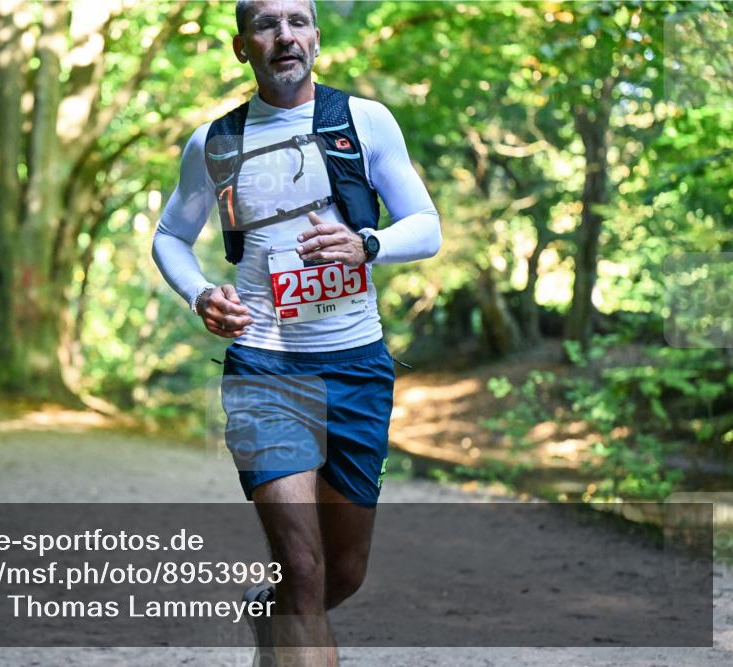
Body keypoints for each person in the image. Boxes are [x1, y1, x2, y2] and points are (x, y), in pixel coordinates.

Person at [151, 1, 442, 664]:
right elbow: (170, 236)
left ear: (315, 37)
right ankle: (288, 613)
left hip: (358, 369)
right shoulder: (217, 142)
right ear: (241, 46)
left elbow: (425, 226)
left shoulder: (364, 123)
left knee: (341, 573)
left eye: (297, 21)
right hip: (265, 370)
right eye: (265, 24)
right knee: (304, 571)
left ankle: (268, 614)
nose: (284, 35)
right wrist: (201, 292)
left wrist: (366, 242)